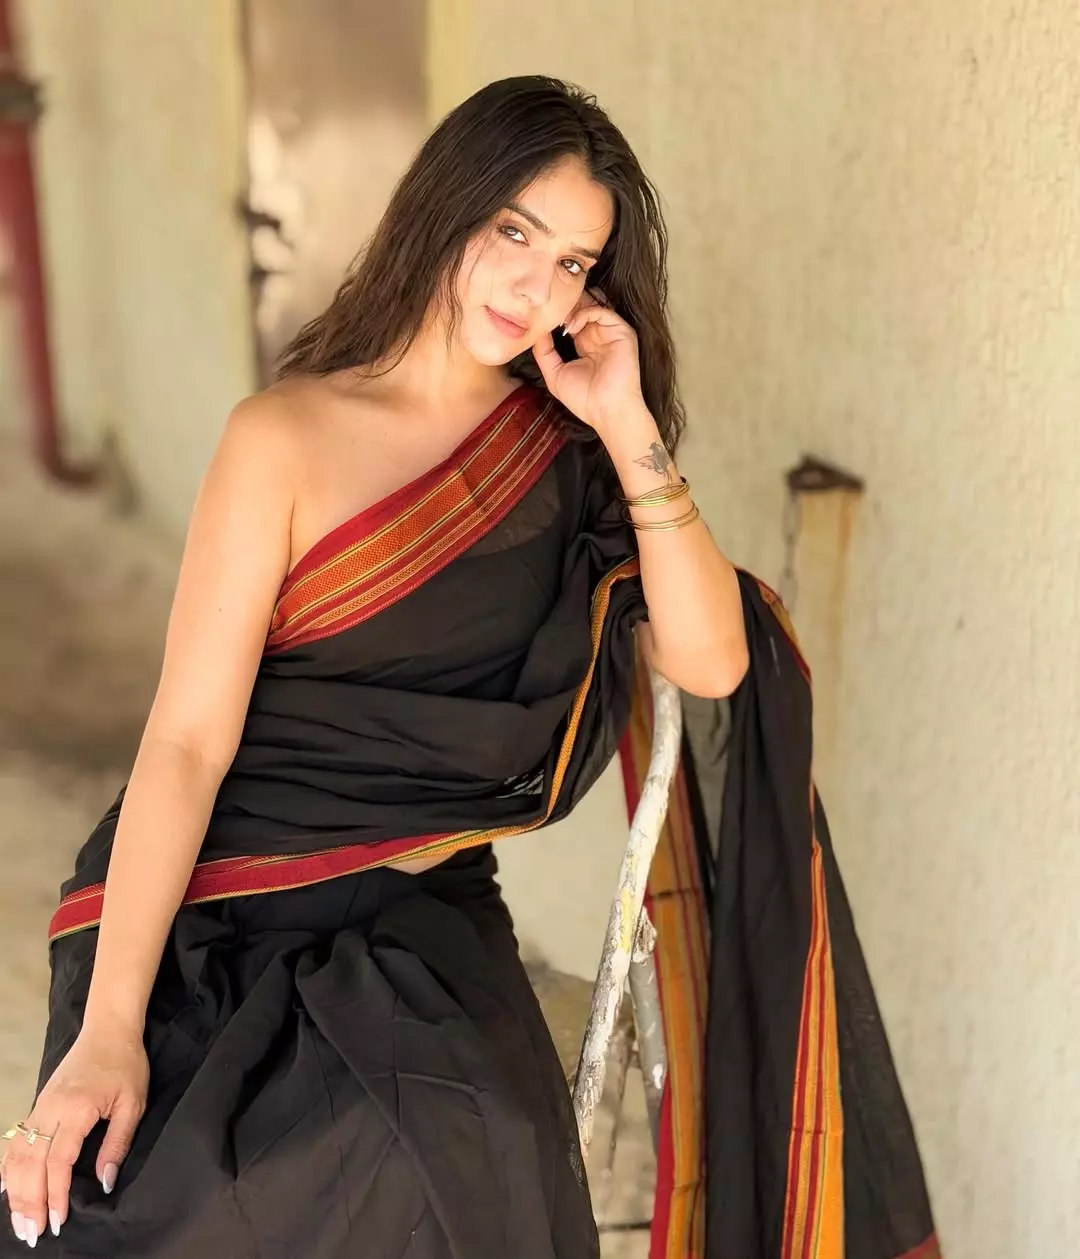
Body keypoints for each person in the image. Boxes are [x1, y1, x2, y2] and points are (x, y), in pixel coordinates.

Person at [1, 77, 939, 1259]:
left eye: (575, 263)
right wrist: (111, 1028)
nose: (538, 287)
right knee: (171, 1198)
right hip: (215, 900)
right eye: (515, 233)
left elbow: (711, 663)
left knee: (448, 1161)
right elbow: (186, 742)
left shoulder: (563, 460)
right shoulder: (281, 436)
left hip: (424, 916)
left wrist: (628, 426)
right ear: (447, 207)